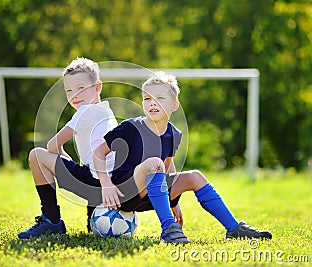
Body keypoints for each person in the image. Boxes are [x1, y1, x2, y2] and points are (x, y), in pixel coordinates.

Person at [92, 71, 272, 243]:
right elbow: (99, 152)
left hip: (150, 197)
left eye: (160, 99)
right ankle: (169, 229)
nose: (152, 103)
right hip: (124, 194)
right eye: (147, 99)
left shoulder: (174, 134)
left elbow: (168, 167)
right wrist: (106, 184)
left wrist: (174, 201)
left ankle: (234, 229)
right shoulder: (130, 128)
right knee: (154, 164)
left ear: (174, 105)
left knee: (195, 176)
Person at [17, 57, 118, 239]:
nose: (74, 95)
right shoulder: (106, 110)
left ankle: (51, 220)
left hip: (95, 182)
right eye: (69, 91)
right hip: (112, 183)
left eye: (81, 88)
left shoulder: (85, 111)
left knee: (36, 156)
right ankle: (93, 216)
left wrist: (66, 161)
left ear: (97, 87)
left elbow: (52, 145)